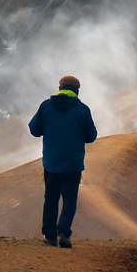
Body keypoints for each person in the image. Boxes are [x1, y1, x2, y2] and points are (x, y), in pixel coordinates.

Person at [27, 74, 96, 248]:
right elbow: (91, 136)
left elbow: (34, 130)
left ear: (60, 88)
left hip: (52, 162)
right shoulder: (82, 109)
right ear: (77, 91)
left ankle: (50, 237)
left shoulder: (47, 106)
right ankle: (64, 233)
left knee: (51, 198)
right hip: (73, 163)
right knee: (70, 198)